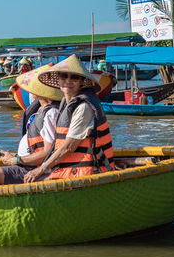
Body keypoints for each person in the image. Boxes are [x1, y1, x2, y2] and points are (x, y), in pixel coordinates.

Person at [24, 55, 115, 183]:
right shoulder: (64, 104)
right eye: (64, 76)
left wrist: (41, 169)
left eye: (74, 77)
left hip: (88, 172)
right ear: (59, 81)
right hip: (67, 169)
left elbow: (68, 147)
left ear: (82, 82)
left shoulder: (83, 107)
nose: (68, 80)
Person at [0, 64, 62, 186]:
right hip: (26, 163)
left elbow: (48, 151)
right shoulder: (39, 109)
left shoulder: (51, 113)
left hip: (36, 168)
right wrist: (14, 156)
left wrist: (17, 160)